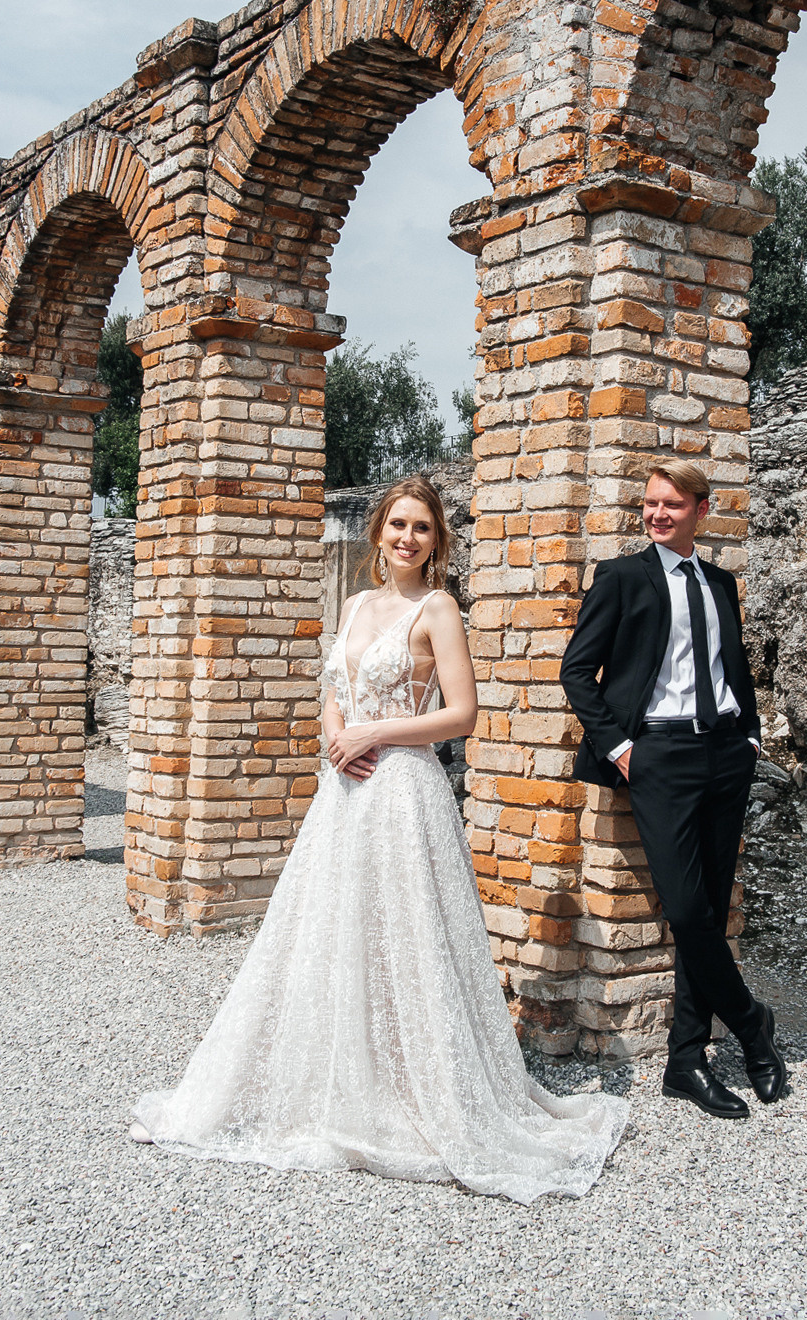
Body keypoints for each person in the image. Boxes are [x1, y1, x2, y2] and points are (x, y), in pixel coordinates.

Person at [130, 475, 628, 1203]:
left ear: (438, 541)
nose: (407, 538)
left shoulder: (439, 608)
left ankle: (414, 1087)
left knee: (407, 935)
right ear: (377, 532)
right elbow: (334, 690)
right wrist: (337, 735)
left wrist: (376, 733)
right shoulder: (358, 602)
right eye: (397, 524)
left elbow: (463, 714)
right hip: (345, 791)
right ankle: (335, 1079)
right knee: (334, 929)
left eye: (421, 528)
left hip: (402, 790)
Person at [559, 459, 788, 1121]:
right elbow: (578, 672)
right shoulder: (622, 577)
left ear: (701, 510)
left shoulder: (721, 582)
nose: (658, 514)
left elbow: (733, 666)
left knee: (709, 915)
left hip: (724, 754)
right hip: (657, 755)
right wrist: (624, 749)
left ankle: (686, 1060)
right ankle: (751, 1024)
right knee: (686, 912)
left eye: (672, 505)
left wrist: (750, 736)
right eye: (650, 504)